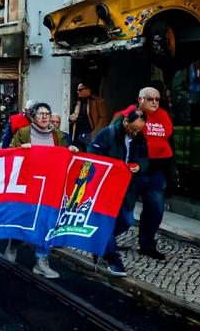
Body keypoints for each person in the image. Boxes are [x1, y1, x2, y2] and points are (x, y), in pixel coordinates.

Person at [6, 102, 79, 278]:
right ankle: (14, 242)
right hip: (29, 185)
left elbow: (68, 156)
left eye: (47, 113)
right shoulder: (23, 133)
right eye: (41, 114)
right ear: (32, 117)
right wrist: (19, 149)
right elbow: (9, 154)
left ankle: (41, 261)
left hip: (51, 186)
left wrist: (72, 150)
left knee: (47, 222)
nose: (45, 117)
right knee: (26, 219)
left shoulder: (59, 135)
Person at [88, 109, 148, 276]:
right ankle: (113, 260)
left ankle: (99, 240)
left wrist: (139, 166)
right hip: (105, 186)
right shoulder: (107, 134)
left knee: (127, 220)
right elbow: (92, 155)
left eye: (139, 130)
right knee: (106, 223)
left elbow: (145, 159)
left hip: (126, 187)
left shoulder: (140, 137)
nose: (136, 133)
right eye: (133, 129)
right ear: (125, 122)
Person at [115, 87, 172, 260]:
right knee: (124, 211)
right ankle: (107, 238)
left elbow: (167, 136)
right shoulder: (128, 114)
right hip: (134, 170)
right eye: (150, 99)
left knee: (155, 209)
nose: (154, 102)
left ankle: (147, 245)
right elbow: (115, 138)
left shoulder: (163, 115)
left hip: (155, 171)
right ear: (140, 99)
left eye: (157, 99)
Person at [69, 81, 109, 151]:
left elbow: (103, 121)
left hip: (90, 138)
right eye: (77, 90)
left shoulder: (99, 101)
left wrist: (92, 135)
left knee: (90, 156)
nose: (78, 92)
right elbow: (73, 118)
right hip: (77, 138)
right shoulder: (78, 103)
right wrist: (71, 119)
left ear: (88, 89)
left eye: (80, 90)